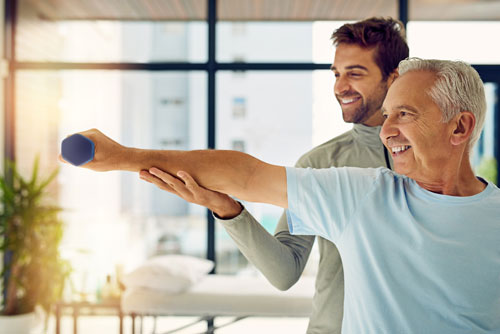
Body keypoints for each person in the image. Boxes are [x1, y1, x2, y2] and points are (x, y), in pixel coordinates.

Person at [61, 58, 500, 333]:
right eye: (387, 115)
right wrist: (124, 155)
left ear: (459, 127)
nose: (386, 131)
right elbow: (247, 174)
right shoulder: (361, 194)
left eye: (404, 114)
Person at [142, 17, 410, 334]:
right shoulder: (320, 163)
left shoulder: (430, 160)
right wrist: (227, 209)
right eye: (337, 74)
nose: (340, 87)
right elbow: (285, 272)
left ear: (393, 78)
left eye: (355, 73)